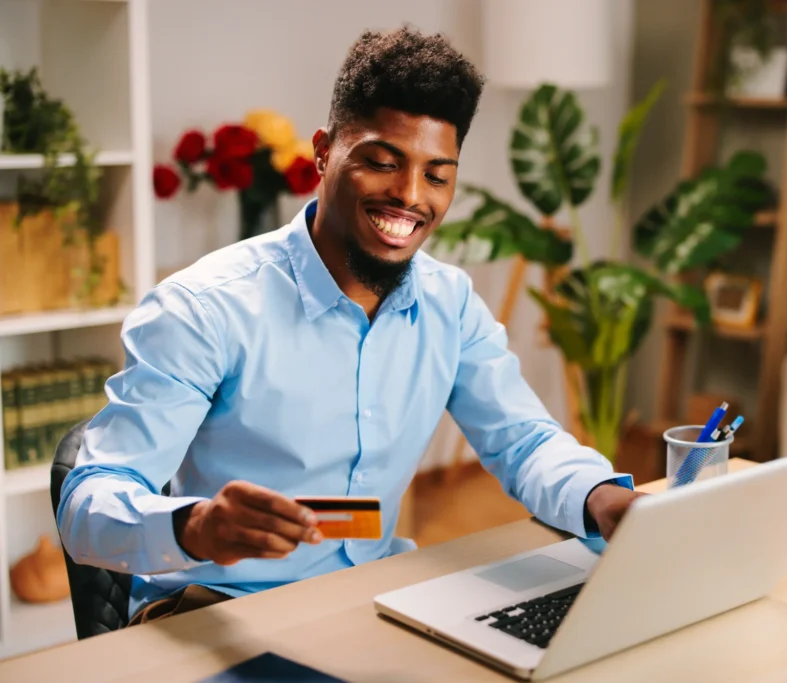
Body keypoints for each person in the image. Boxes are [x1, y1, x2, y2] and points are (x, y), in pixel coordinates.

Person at [57, 26, 642, 626]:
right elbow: (87, 505)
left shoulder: (449, 304)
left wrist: (603, 498)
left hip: (376, 594)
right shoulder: (203, 308)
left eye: (437, 176)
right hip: (219, 610)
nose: (409, 196)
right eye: (382, 163)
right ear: (323, 152)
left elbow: (524, 441)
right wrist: (196, 526)